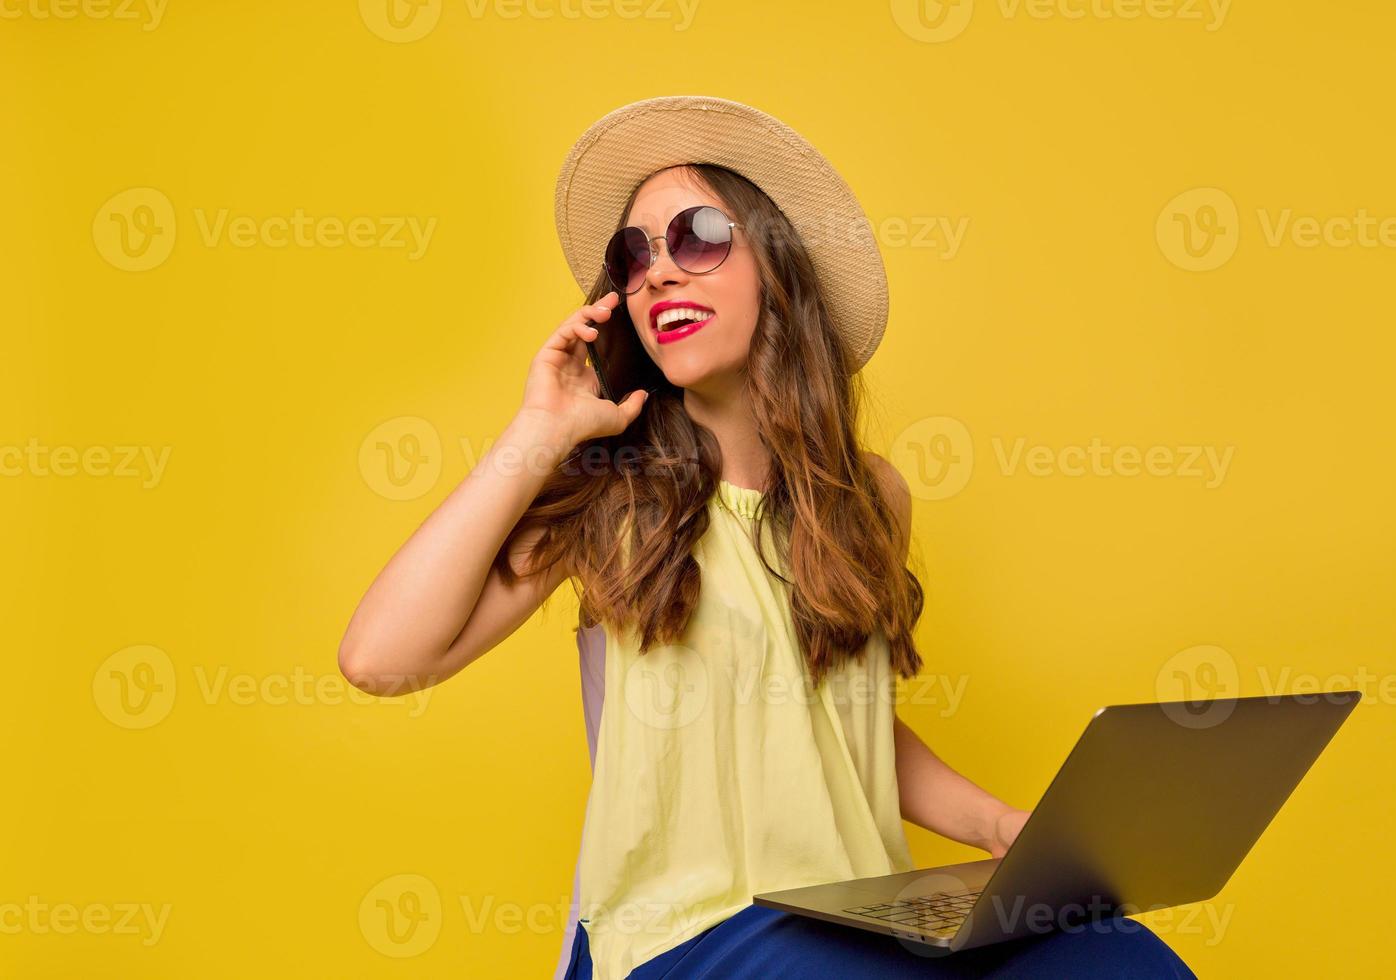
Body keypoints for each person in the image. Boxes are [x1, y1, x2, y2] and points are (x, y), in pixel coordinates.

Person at [339, 96, 1195, 980]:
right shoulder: (609, 492)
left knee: (1126, 960)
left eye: (697, 236)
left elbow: (840, 724)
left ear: (777, 267)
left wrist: (1005, 831)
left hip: (861, 921)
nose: (657, 273)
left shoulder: (869, 497)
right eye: (633, 257)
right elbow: (380, 658)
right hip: (679, 938)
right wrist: (538, 433)